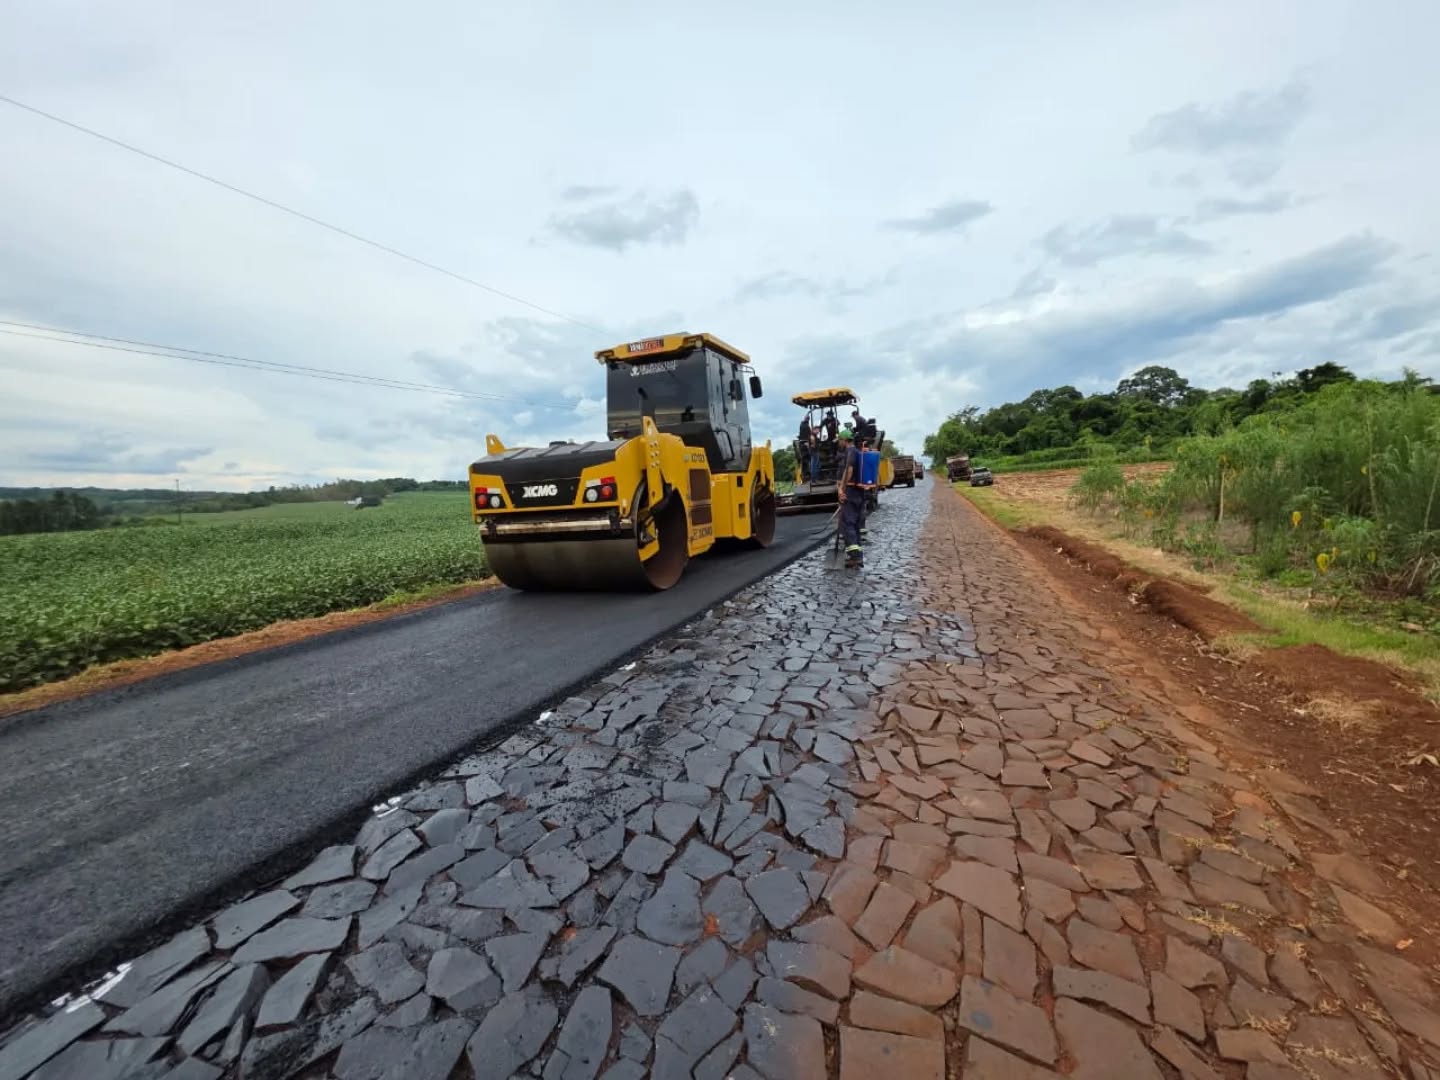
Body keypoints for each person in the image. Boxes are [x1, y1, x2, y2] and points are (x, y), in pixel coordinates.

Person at [835, 428, 871, 569]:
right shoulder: (858, 452)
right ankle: (858, 557)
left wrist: (842, 490)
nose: (839, 442)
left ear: (844, 440)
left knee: (847, 524)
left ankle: (854, 557)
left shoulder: (850, 452)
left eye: (840, 440)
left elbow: (848, 471)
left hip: (851, 492)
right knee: (855, 525)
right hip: (859, 492)